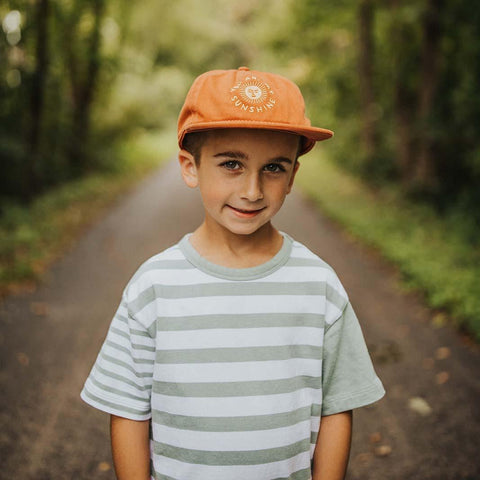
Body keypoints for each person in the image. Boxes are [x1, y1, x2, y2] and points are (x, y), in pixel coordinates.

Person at [81, 66, 385, 480]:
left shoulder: (319, 286)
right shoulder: (153, 287)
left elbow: (337, 408)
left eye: (274, 168)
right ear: (190, 167)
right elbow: (128, 409)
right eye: (231, 164)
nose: (252, 190)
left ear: (293, 174)